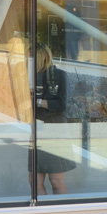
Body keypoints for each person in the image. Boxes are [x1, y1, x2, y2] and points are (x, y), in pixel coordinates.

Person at [29, 42, 75, 194]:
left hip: (55, 131)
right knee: (34, 181)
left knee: (56, 180)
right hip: (37, 131)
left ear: (42, 57)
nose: (28, 60)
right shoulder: (29, 77)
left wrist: (36, 101)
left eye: (31, 57)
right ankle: (43, 213)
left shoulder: (59, 75)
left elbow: (61, 104)